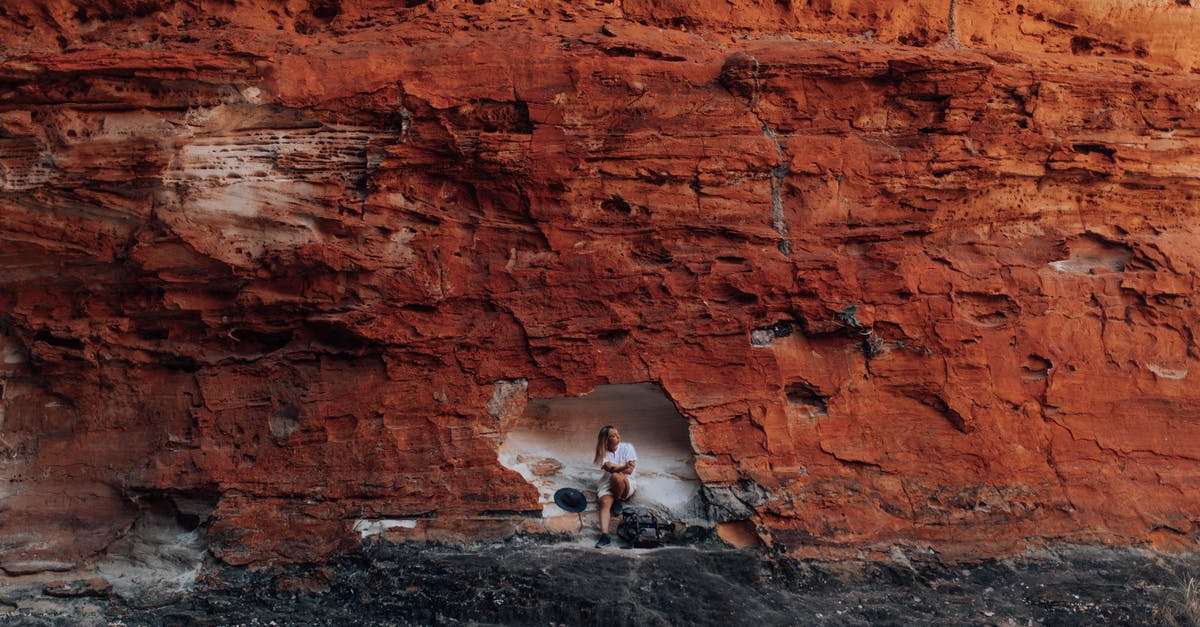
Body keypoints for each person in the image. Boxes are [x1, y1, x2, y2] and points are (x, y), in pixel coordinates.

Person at [593, 425, 636, 547]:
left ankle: (618, 499)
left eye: (618, 434)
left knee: (617, 477)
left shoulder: (627, 448)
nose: (618, 437)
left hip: (627, 481)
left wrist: (625, 468)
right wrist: (624, 466)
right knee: (605, 503)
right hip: (607, 483)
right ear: (606, 440)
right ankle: (605, 535)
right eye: (613, 435)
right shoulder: (602, 453)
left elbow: (629, 471)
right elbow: (610, 468)